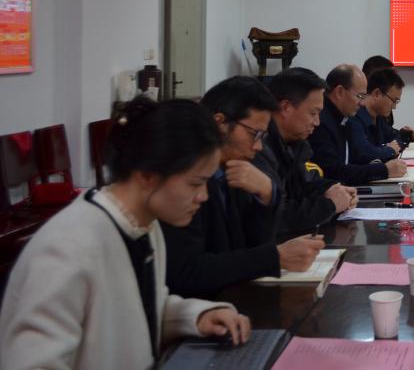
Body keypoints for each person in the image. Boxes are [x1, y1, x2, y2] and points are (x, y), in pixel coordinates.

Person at [0, 97, 251, 370]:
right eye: (195, 183)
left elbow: (140, 309)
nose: (203, 196)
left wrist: (197, 316)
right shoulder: (67, 249)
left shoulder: (143, 225)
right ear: (147, 175)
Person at [163, 76, 325, 299]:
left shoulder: (234, 168)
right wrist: (275, 257)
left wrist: (267, 195)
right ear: (220, 123)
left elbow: (251, 246)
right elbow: (187, 271)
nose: (258, 147)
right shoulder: (184, 178)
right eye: (254, 134)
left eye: (263, 137)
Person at [254, 68, 358, 236]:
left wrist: (333, 189)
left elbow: (307, 182)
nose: (317, 122)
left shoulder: (295, 144)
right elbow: (278, 215)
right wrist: (329, 205)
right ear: (285, 107)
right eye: (313, 113)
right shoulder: (258, 149)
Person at [309, 64, 408, 184]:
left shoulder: (344, 118)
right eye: (360, 96)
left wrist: (380, 163)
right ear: (339, 92)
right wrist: (384, 169)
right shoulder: (322, 122)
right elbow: (334, 172)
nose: (362, 103)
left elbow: (359, 157)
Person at [361, 55, 414, 142]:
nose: (394, 80)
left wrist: (406, 134)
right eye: (390, 77)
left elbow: (389, 134)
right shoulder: (358, 112)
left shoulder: (381, 108)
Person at [347, 68, 412, 164]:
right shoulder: (354, 117)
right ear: (377, 94)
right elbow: (364, 153)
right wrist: (389, 150)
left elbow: (397, 137)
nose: (394, 107)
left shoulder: (378, 117)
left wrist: (385, 149)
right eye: (394, 101)